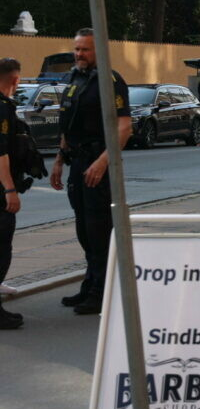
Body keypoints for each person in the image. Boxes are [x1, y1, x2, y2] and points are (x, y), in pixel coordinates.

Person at [50, 29, 132, 315]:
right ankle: (90, 284)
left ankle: (101, 291)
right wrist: (60, 159)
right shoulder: (74, 78)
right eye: (77, 49)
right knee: (84, 229)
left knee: (99, 230)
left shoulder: (111, 81)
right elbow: (68, 125)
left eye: (85, 49)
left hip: (98, 163)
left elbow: (124, 128)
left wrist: (103, 162)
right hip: (77, 162)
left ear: (100, 51)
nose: (79, 54)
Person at [0, 59, 24, 329]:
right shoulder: (2, 107)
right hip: (0, 189)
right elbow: (1, 152)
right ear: (15, 80)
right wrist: (9, 189)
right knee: (1, 246)